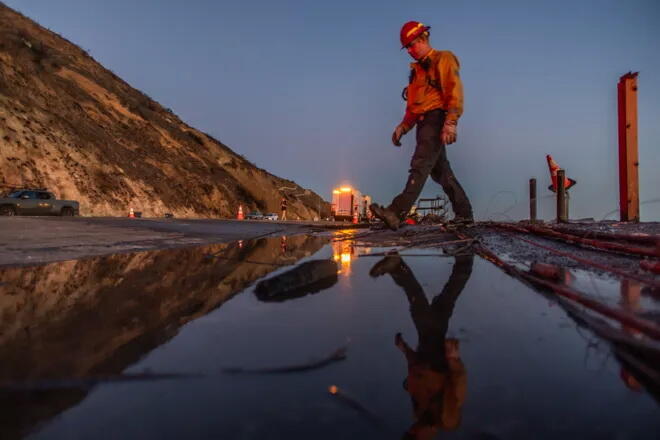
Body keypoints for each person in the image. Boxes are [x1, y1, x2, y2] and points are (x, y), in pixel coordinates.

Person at [370, 21, 473, 230]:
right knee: (441, 173)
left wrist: (450, 123)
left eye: (411, 45)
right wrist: (403, 127)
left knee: (419, 165)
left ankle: (396, 212)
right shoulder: (416, 73)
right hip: (422, 124)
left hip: (435, 121)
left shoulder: (443, 59)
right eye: (406, 47)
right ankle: (465, 215)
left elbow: (454, 92)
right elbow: (414, 108)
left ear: (423, 38)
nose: (409, 50)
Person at [370, 252, 473, 439]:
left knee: (442, 301)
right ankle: (399, 267)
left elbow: (416, 375)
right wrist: (453, 359)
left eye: (409, 433)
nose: (412, 430)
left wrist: (405, 350)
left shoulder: (418, 412)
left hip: (425, 352)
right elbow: (458, 383)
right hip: (437, 356)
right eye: (414, 436)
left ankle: (464, 261)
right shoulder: (447, 419)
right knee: (423, 306)